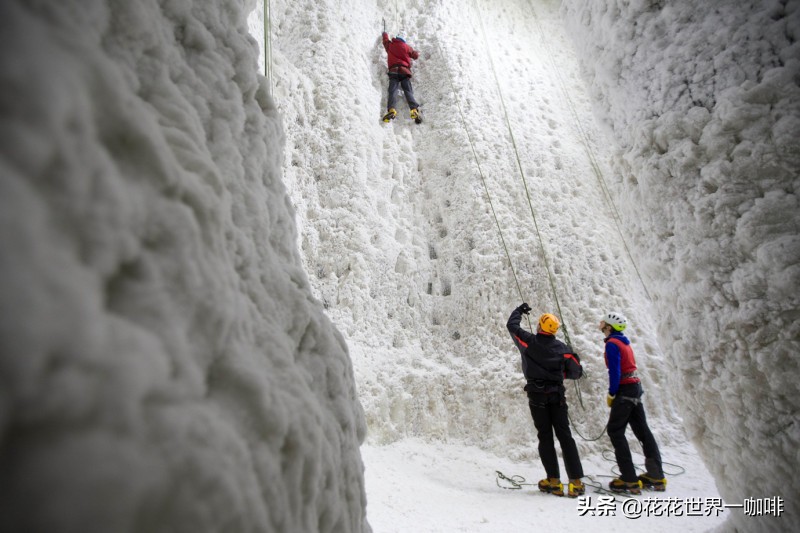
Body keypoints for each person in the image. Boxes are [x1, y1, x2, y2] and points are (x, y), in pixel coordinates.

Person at [507, 303, 585, 498]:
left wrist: (519, 311)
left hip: (537, 396)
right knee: (565, 436)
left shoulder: (528, 342)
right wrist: (559, 373)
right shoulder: (563, 349)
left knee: (545, 436)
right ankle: (575, 482)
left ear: (540, 326)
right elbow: (577, 372)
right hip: (557, 396)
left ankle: (553, 481)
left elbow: (512, 326)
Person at [600, 311, 667, 494]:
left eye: (603, 322)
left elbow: (614, 371)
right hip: (635, 387)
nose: (600, 324)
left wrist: (612, 393)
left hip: (624, 389)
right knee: (642, 431)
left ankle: (629, 478)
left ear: (609, 327)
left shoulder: (612, 345)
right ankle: (656, 475)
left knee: (615, 431)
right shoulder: (623, 342)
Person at [380, 31, 422, 123]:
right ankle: (414, 110)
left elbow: (385, 41)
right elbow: (415, 55)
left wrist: (384, 34)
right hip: (404, 71)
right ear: (404, 39)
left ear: (396, 37)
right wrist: (417, 53)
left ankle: (392, 110)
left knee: (393, 90)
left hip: (393, 71)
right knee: (408, 90)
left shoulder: (391, 45)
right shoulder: (407, 47)